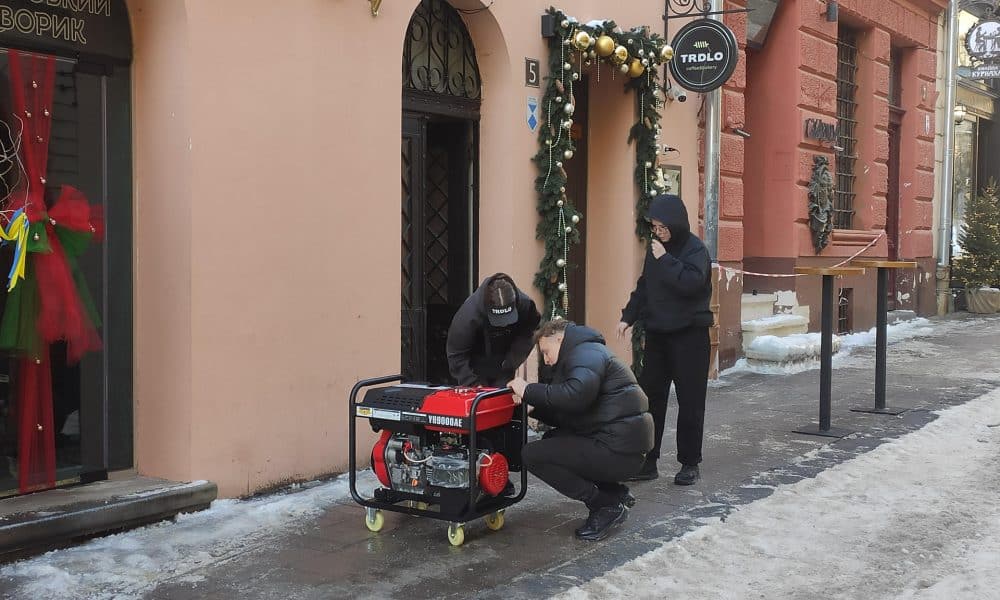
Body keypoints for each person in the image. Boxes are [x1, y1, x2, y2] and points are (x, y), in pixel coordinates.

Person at [508, 319, 653, 541]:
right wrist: (534, 409)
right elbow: (575, 412)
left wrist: (528, 390)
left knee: (532, 455)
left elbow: (576, 396)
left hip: (619, 449)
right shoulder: (586, 351)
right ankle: (613, 492)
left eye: (546, 352)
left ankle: (605, 504)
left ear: (559, 338)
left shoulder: (585, 353)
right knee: (552, 440)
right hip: (622, 444)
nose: (546, 361)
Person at [616, 193, 712, 486]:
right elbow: (645, 286)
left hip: (690, 337)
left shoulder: (695, 250)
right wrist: (627, 317)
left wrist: (666, 259)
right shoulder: (656, 250)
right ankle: (648, 461)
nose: (658, 233)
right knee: (651, 399)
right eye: (654, 227)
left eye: (662, 227)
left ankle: (689, 463)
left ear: (676, 224)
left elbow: (691, 284)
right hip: (659, 335)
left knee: (690, 401)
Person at [446, 273, 541, 387]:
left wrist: (512, 361)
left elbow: (529, 332)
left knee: (502, 398)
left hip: (505, 363)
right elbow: (456, 355)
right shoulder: (468, 316)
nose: (503, 324)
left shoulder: (525, 305)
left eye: (508, 318)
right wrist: (472, 384)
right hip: (475, 364)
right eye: (498, 319)